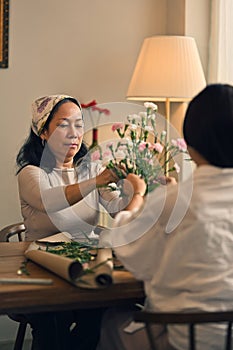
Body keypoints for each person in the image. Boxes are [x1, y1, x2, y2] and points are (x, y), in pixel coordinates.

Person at [97, 84, 233, 350]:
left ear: (191, 144)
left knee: (112, 321)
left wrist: (140, 195)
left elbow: (129, 249)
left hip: (184, 340)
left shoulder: (176, 199)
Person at [16, 94, 146, 350]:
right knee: (53, 319)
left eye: (79, 124)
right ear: (43, 132)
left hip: (85, 266)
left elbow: (120, 210)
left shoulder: (91, 169)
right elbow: (51, 202)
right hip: (42, 271)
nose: (74, 133)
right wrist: (96, 182)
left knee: (104, 312)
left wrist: (136, 189)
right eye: (64, 125)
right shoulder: (31, 173)